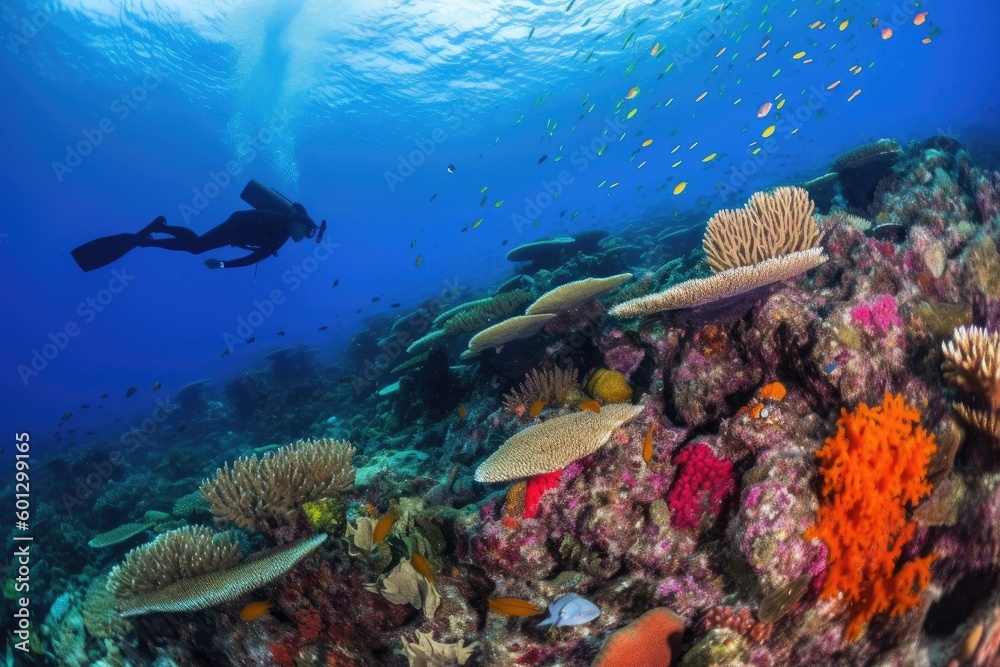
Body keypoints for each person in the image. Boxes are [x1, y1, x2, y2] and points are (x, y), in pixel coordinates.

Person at [70, 180, 326, 272]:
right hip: (237, 226)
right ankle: (157, 233)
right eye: (306, 232)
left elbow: (254, 256)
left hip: (237, 226)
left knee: (196, 245)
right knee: (196, 247)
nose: (303, 238)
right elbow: (253, 258)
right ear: (300, 223)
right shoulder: (282, 227)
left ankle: (158, 231)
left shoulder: (282, 230)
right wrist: (223, 264)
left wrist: (225, 262)